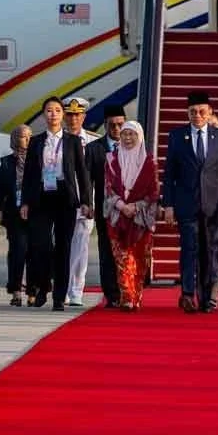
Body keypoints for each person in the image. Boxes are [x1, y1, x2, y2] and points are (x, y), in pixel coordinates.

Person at [162, 90, 218, 313]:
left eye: (201, 111)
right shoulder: (177, 136)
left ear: (209, 113)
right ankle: (187, 294)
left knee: (210, 251)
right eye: (193, 111)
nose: (197, 115)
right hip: (186, 204)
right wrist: (168, 204)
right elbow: (169, 174)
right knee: (189, 249)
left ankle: (208, 296)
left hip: (214, 206)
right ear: (187, 113)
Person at [20, 96, 92, 311]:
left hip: (65, 197)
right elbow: (29, 175)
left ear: (63, 115)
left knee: (63, 248)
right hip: (41, 196)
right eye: (49, 111)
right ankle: (43, 285)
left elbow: (83, 174)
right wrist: (25, 202)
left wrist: (86, 201)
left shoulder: (72, 141)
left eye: (57, 111)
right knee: (40, 246)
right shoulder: (35, 142)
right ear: (44, 115)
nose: (53, 114)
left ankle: (59, 297)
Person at [104, 120, 159, 311]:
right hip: (117, 216)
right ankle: (127, 297)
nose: (128, 138)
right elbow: (108, 188)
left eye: (132, 134)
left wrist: (135, 206)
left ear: (140, 137)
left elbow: (154, 192)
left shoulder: (149, 161)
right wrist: (121, 205)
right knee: (122, 259)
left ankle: (136, 294)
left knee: (140, 258)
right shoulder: (111, 159)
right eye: (125, 134)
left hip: (141, 218)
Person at [88, 104, 124, 308]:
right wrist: (89, 203)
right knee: (107, 252)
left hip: (128, 210)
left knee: (126, 251)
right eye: (112, 125)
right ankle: (111, 294)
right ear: (105, 125)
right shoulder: (94, 149)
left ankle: (126, 289)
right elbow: (87, 181)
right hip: (105, 210)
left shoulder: (133, 146)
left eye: (120, 124)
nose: (117, 129)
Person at [62, 97, 97, 307]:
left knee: (81, 246)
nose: (73, 119)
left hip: (85, 201)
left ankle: (75, 290)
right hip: (61, 200)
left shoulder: (93, 142)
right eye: (70, 115)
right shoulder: (57, 139)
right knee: (62, 246)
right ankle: (62, 287)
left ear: (84, 116)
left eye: (77, 115)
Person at [0, 125, 31, 306]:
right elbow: (0, 188)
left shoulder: (37, 160)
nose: (25, 140)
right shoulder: (7, 162)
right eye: (22, 137)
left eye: (28, 136)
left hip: (34, 211)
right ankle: (16, 290)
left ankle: (33, 291)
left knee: (35, 251)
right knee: (18, 251)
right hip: (14, 213)